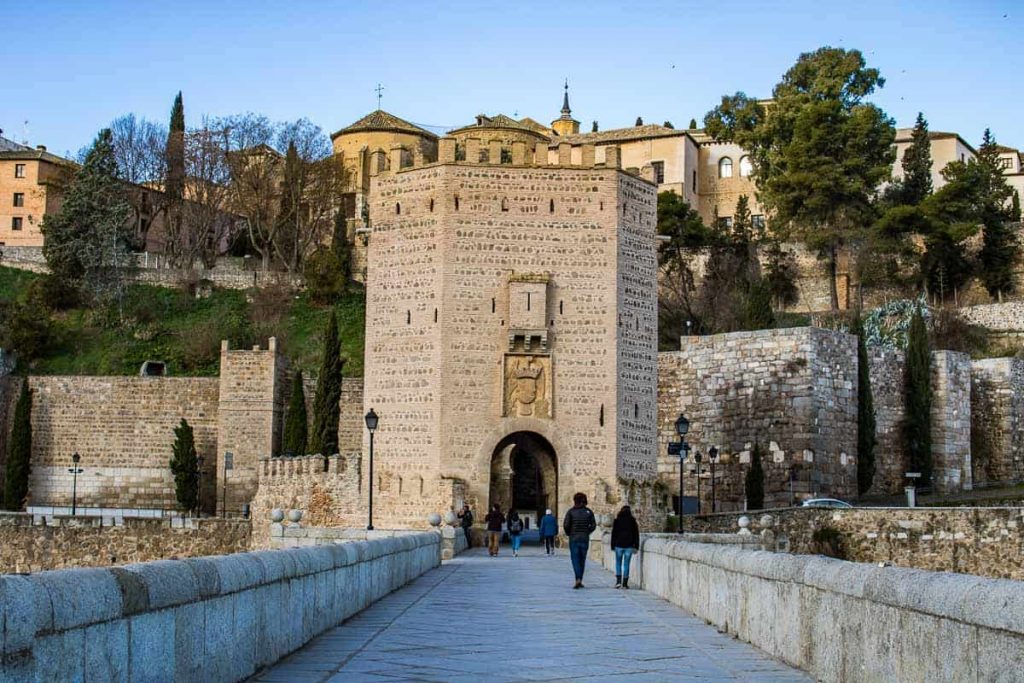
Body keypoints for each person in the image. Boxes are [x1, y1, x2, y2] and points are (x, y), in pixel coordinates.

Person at [562, 492, 597, 588]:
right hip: (584, 538)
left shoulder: (571, 512)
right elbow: (593, 525)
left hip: (574, 538)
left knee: (575, 559)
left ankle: (577, 578)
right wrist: (587, 531)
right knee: (582, 559)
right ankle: (580, 579)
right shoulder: (589, 512)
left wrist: (569, 533)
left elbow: (566, 525)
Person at [610, 505, 640, 589]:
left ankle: (618, 582)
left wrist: (612, 545)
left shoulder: (617, 520)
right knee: (626, 564)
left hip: (618, 545)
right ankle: (625, 583)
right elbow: (636, 534)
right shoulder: (632, 521)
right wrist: (636, 546)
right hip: (629, 545)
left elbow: (614, 534)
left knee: (618, 563)